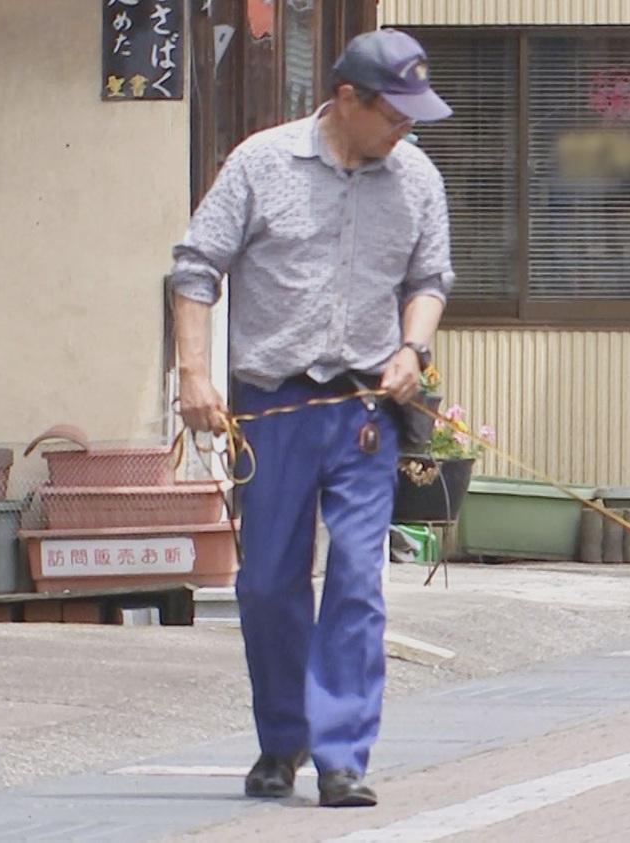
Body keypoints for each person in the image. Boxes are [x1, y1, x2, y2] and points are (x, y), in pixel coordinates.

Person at [165, 29, 454, 807]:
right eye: (395, 112)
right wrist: (194, 375)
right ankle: (282, 736)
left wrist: (413, 349)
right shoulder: (262, 164)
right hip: (274, 404)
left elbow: (430, 278)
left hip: (365, 409)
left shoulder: (419, 179)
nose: (407, 128)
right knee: (266, 583)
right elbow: (195, 270)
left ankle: (342, 753)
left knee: (359, 579)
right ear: (348, 99)